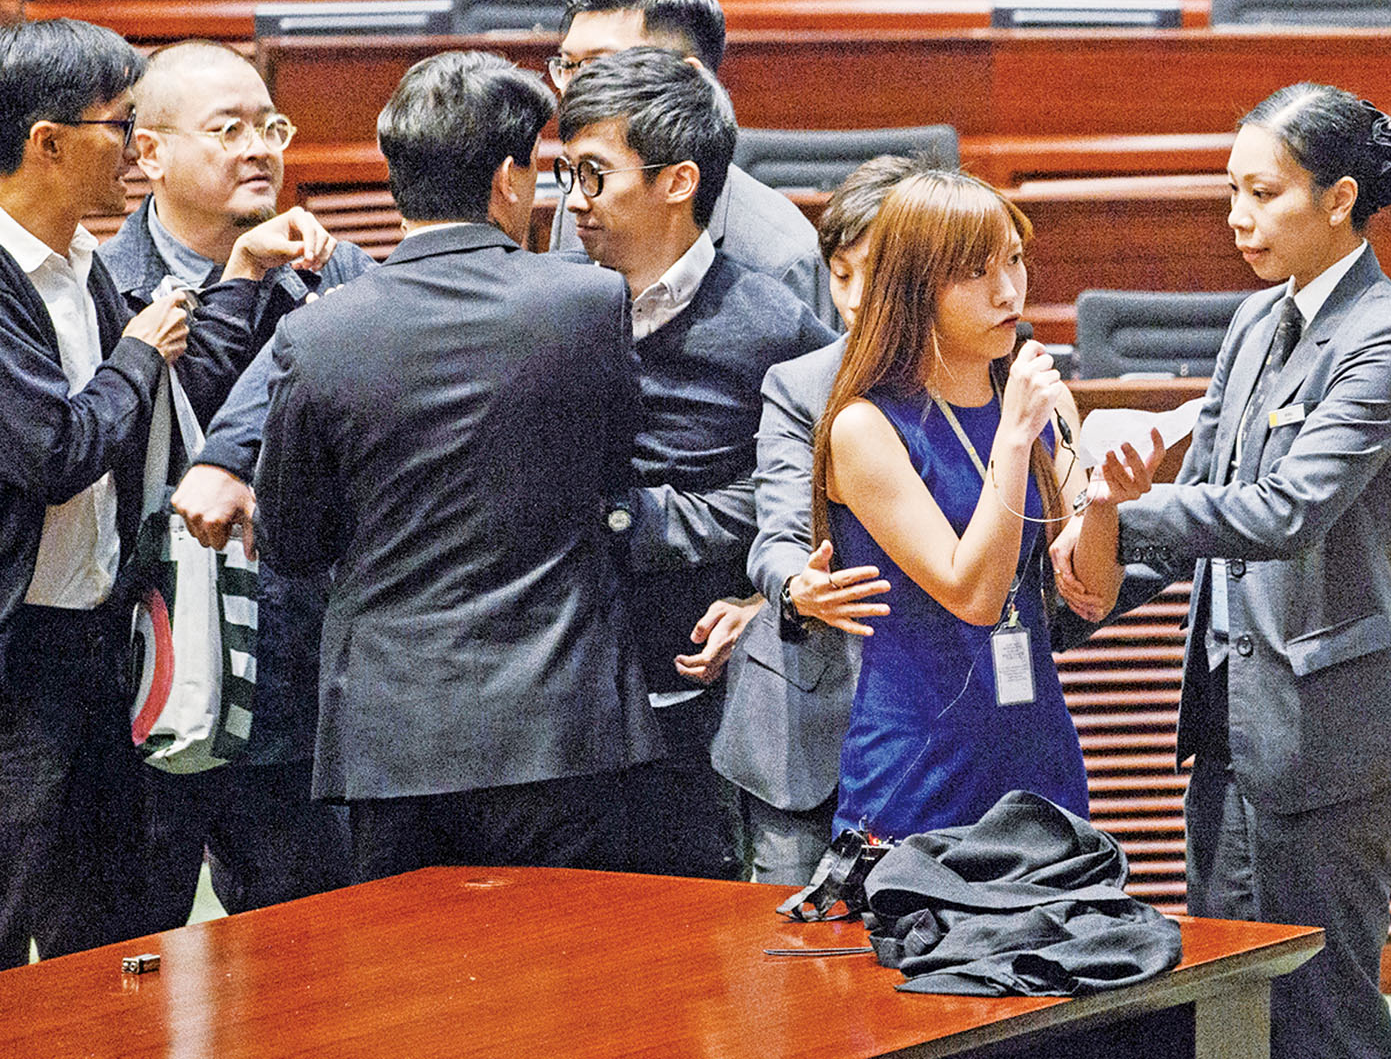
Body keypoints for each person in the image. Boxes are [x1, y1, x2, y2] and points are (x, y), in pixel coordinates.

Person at [1055, 83, 1391, 1059]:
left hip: (1331, 737)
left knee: (1324, 1014)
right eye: (1231, 190)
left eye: (1263, 192)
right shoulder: (1253, 320)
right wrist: (1087, 579)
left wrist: (1108, 510)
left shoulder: (1383, 341)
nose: (1238, 215)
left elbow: (1283, 510)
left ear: (1337, 197)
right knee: (1233, 1006)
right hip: (1233, 724)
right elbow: (1209, 504)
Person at [254, 51, 657, 883]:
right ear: (510, 178)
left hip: (390, 738)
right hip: (561, 722)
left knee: (410, 996)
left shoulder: (317, 335)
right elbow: (614, 470)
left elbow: (290, 542)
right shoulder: (586, 302)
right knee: (568, 987)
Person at [0, 18, 323, 967]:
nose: (135, 150)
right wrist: (138, 348)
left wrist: (241, 275)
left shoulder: (81, 265)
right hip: (17, 664)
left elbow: (171, 400)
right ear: (47, 143)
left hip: (95, 642)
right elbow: (58, 448)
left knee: (99, 928)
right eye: (119, 124)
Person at [98, 42, 365, 929]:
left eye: (270, 126)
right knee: (128, 948)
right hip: (150, 671)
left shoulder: (337, 272)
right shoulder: (104, 286)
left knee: (307, 949)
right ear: (150, 154)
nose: (260, 148)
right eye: (228, 129)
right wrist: (239, 283)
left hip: (297, 664)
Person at [555, 48, 833, 880]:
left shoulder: (770, 324)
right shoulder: (544, 306)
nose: (574, 202)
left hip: (698, 703)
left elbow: (832, 476)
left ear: (677, 183)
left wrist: (757, 584)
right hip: (563, 697)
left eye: (594, 176)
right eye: (566, 175)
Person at [816, 168, 1100, 841]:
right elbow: (971, 591)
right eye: (975, 272)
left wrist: (1110, 499)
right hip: (920, 763)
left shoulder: (1039, 400)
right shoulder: (864, 428)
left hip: (1036, 745)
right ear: (916, 287)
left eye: (1014, 260)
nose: (1008, 291)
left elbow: (1091, 589)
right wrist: (1014, 436)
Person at [729, 154, 921, 884]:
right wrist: (793, 587)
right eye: (839, 273)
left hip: (940, 722)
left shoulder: (991, 383)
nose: (852, 296)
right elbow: (774, 536)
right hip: (806, 731)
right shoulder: (800, 385)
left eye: (874, 270)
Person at [546, 0, 831, 324]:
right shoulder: (581, 202)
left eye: (601, 66)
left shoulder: (782, 256)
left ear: (688, 78)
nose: (574, 89)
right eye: (568, 66)